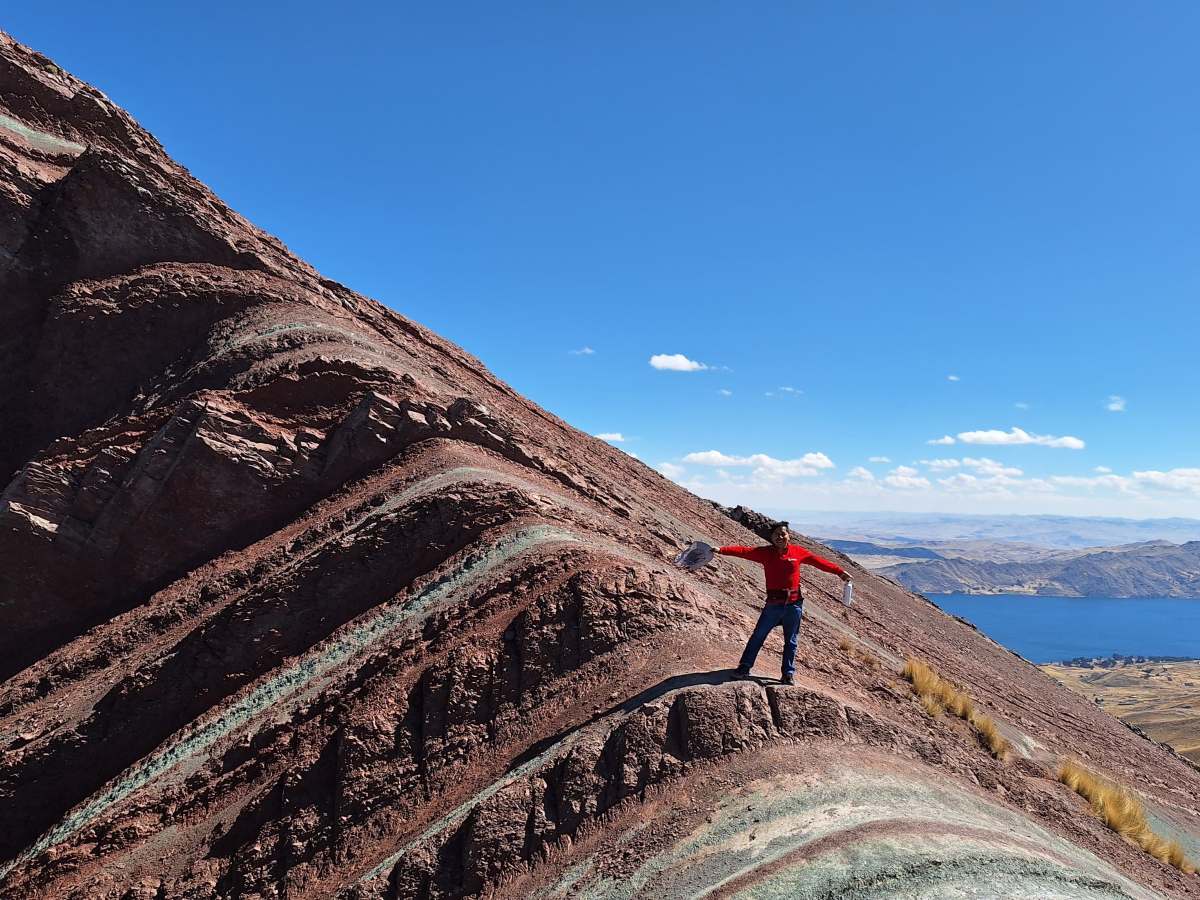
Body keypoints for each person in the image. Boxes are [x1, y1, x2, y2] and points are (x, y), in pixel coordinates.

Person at [713, 521, 850, 685]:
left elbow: (819, 562)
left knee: (791, 642)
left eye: (783, 533)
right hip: (773, 605)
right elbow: (743, 551)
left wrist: (840, 572)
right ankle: (744, 667)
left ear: (788, 535)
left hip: (794, 606)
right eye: (776, 534)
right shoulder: (765, 553)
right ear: (771, 537)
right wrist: (721, 550)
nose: (780, 536)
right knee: (758, 636)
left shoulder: (798, 552)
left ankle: (788, 673)